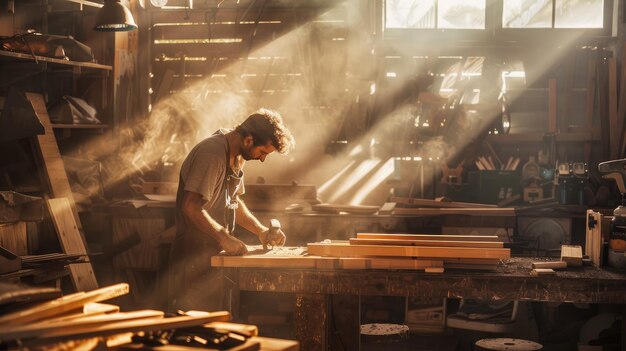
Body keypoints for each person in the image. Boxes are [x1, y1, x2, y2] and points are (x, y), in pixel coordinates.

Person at [168, 108, 295, 312]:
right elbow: (190, 206)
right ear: (248, 140)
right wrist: (224, 237)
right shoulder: (212, 154)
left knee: (217, 325)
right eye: (262, 152)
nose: (262, 159)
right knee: (191, 326)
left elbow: (233, 201)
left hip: (214, 253)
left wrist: (261, 231)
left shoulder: (237, 156)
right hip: (191, 256)